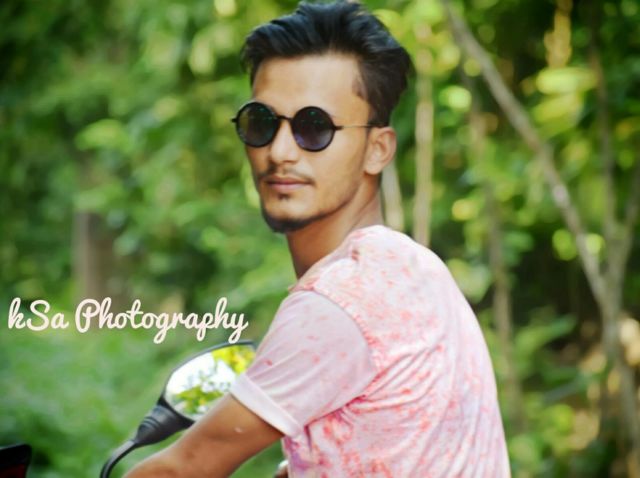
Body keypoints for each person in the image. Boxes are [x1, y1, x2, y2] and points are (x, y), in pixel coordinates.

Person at [124, 1, 510, 477]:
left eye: (315, 128)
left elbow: (181, 469)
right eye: (262, 123)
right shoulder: (416, 269)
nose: (280, 152)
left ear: (377, 149)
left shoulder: (339, 301)